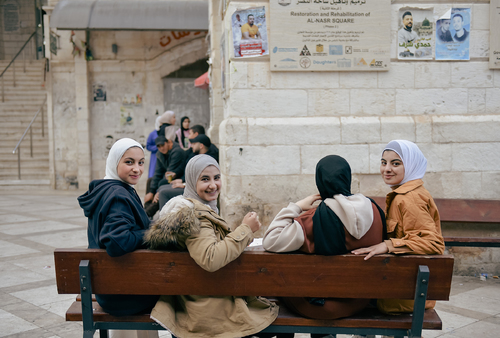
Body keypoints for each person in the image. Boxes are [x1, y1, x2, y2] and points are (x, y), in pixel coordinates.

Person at [144, 155, 280, 338]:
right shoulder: (196, 216)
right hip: (209, 307)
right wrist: (246, 229)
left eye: (216, 178)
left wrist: (236, 238)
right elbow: (210, 258)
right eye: (205, 179)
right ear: (192, 182)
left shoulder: (197, 209)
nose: (213, 185)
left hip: (202, 299)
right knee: (276, 316)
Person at [262, 155, 386, 321]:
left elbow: (271, 240)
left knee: (279, 289)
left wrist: (297, 206)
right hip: (361, 302)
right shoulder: (375, 210)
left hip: (320, 307)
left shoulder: (315, 219)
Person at [78, 138, 159, 337]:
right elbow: (117, 241)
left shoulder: (108, 189)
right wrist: (153, 233)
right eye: (129, 162)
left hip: (111, 287)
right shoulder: (117, 196)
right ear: (115, 162)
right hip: (125, 296)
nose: (137, 169)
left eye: (141, 162)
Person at [352, 140, 445, 314]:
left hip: (403, 296)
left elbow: (433, 242)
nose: (387, 169)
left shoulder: (409, 198)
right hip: (401, 289)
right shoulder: (403, 193)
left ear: (410, 165)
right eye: (383, 162)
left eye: (396, 163)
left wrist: (388, 245)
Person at [144, 132, 186, 218]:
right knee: (150, 181)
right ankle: (146, 210)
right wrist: (152, 192)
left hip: (179, 178)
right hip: (170, 177)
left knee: (162, 188)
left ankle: (148, 213)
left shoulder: (177, 151)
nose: (161, 148)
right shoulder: (160, 154)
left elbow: (170, 173)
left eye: (162, 145)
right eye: (158, 147)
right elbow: (158, 172)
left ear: (168, 142)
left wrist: (157, 191)